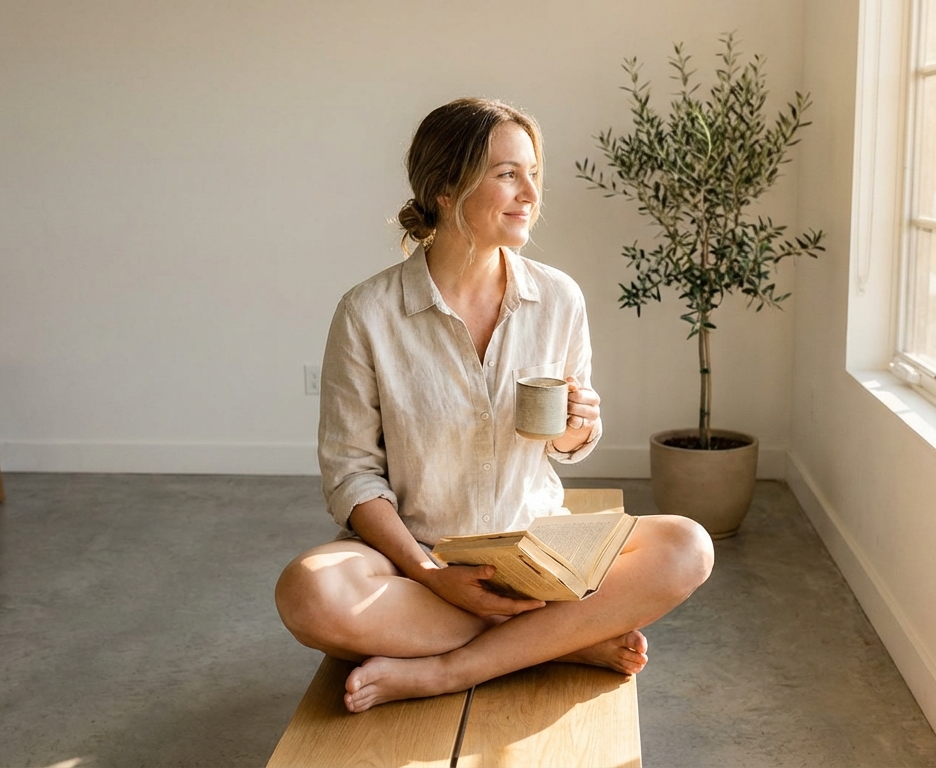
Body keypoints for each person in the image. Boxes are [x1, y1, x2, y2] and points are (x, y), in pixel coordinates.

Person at [274, 97, 714, 713]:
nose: (530, 193)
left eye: (533, 173)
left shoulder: (558, 297)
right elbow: (352, 476)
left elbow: (569, 444)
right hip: (416, 561)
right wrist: (429, 573)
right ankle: (558, 641)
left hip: (538, 555)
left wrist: (576, 428)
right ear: (446, 188)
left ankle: (449, 671)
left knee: (688, 546)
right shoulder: (367, 313)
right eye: (507, 173)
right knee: (307, 594)